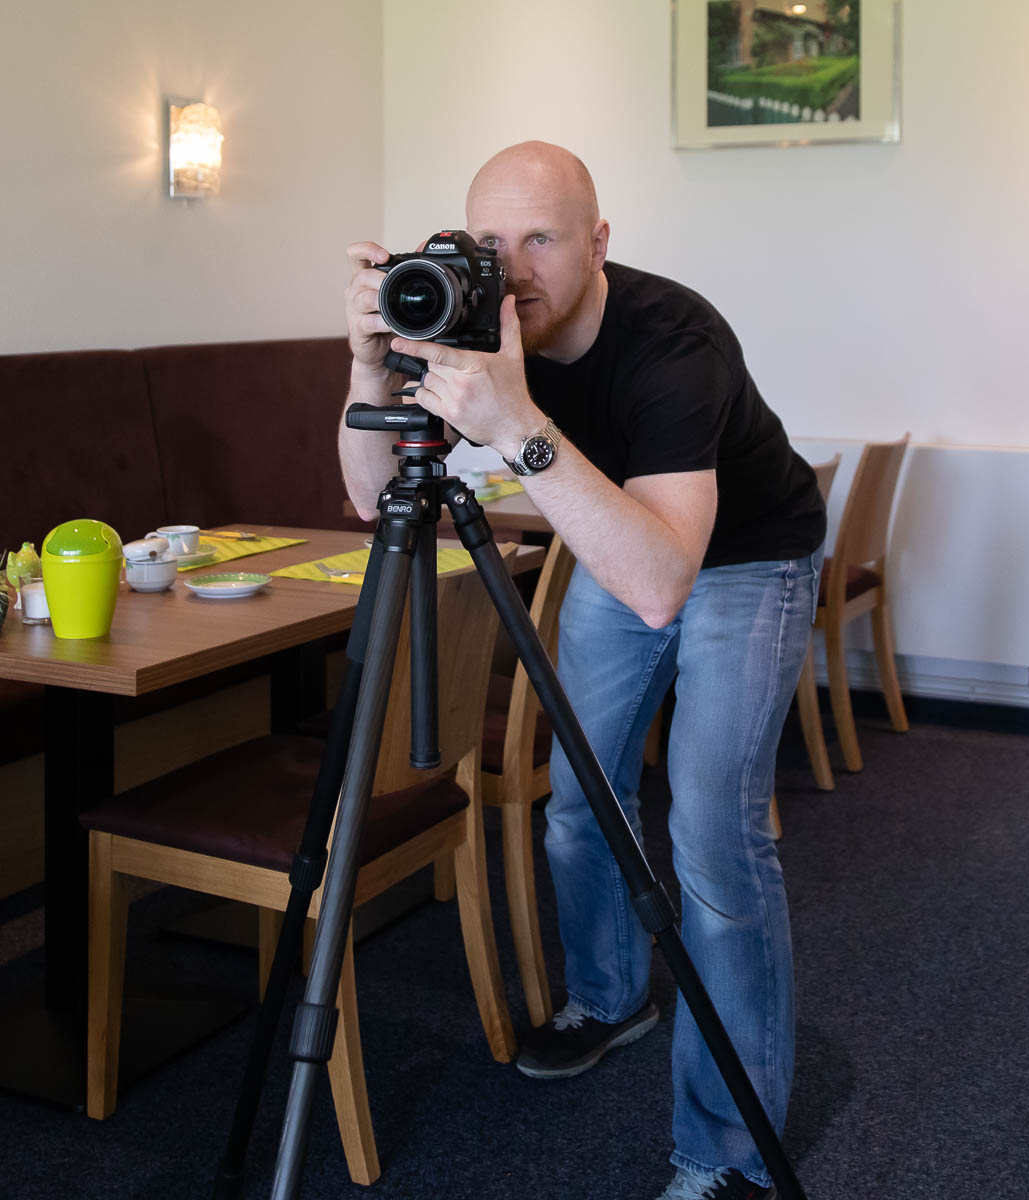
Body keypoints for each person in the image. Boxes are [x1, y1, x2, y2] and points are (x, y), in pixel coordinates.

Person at [337, 142, 824, 1200]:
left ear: (600, 242)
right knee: (579, 799)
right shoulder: (469, 324)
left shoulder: (672, 341)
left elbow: (661, 580)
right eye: (490, 241)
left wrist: (515, 424)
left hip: (746, 557)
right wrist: (369, 367)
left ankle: (726, 1154)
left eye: (541, 240)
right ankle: (614, 999)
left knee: (711, 837)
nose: (511, 271)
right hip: (618, 538)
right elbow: (374, 502)